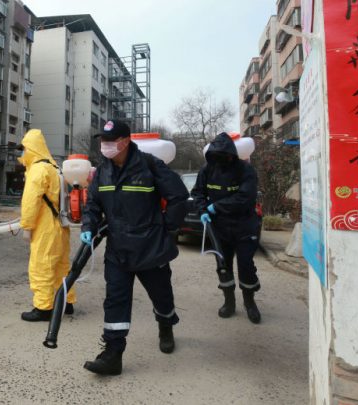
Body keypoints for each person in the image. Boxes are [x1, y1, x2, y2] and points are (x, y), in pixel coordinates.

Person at [80, 120, 189, 376]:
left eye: (110, 140)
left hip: (150, 247)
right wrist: (88, 226)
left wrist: (166, 227)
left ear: (126, 141)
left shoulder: (150, 165)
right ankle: (112, 354)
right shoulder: (102, 171)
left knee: (162, 296)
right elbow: (93, 204)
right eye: (103, 140)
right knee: (115, 300)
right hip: (118, 249)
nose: (104, 145)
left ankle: (165, 326)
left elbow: (179, 197)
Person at [190, 132, 262, 324]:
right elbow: (198, 193)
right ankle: (229, 302)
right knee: (223, 267)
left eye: (225, 156)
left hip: (244, 225)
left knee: (246, 265)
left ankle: (249, 302)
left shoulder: (245, 170)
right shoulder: (207, 169)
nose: (221, 160)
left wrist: (216, 207)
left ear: (231, 154)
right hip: (219, 227)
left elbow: (245, 197)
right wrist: (202, 210)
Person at [18, 129, 76, 322]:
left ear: (32, 148)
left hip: (45, 228)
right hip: (61, 225)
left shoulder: (38, 170)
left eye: (24, 148)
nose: (23, 153)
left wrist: (27, 226)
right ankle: (66, 302)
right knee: (62, 266)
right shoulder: (55, 167)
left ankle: (43, 308)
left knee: (41, 266)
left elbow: (30, 201)